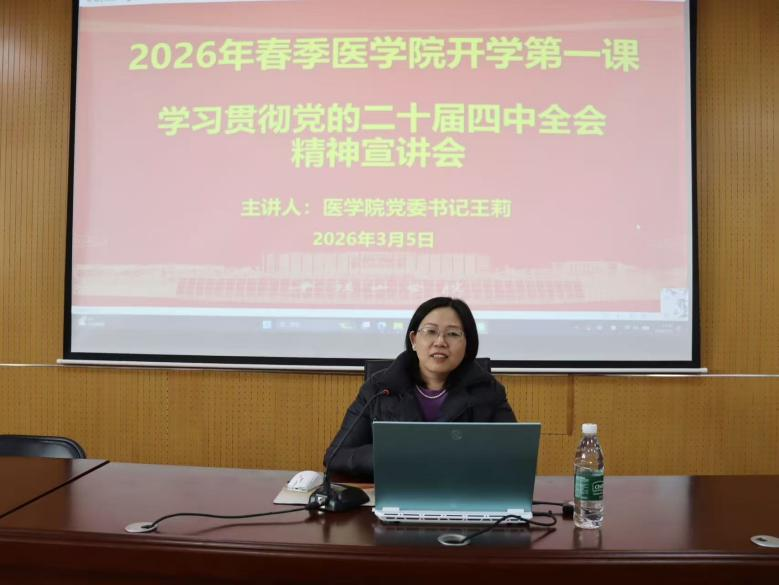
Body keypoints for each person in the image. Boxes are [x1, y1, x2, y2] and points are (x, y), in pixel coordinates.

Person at [323, 297, 516, 480]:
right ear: (414, 340)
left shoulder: (487, 390)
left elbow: (514, 456)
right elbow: (336, 455)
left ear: (467, 344)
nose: (440, 342)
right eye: (430, 331)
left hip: (463, 493)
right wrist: (388, 455)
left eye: (453, 334)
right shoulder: (379, 388)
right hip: (396, 491)